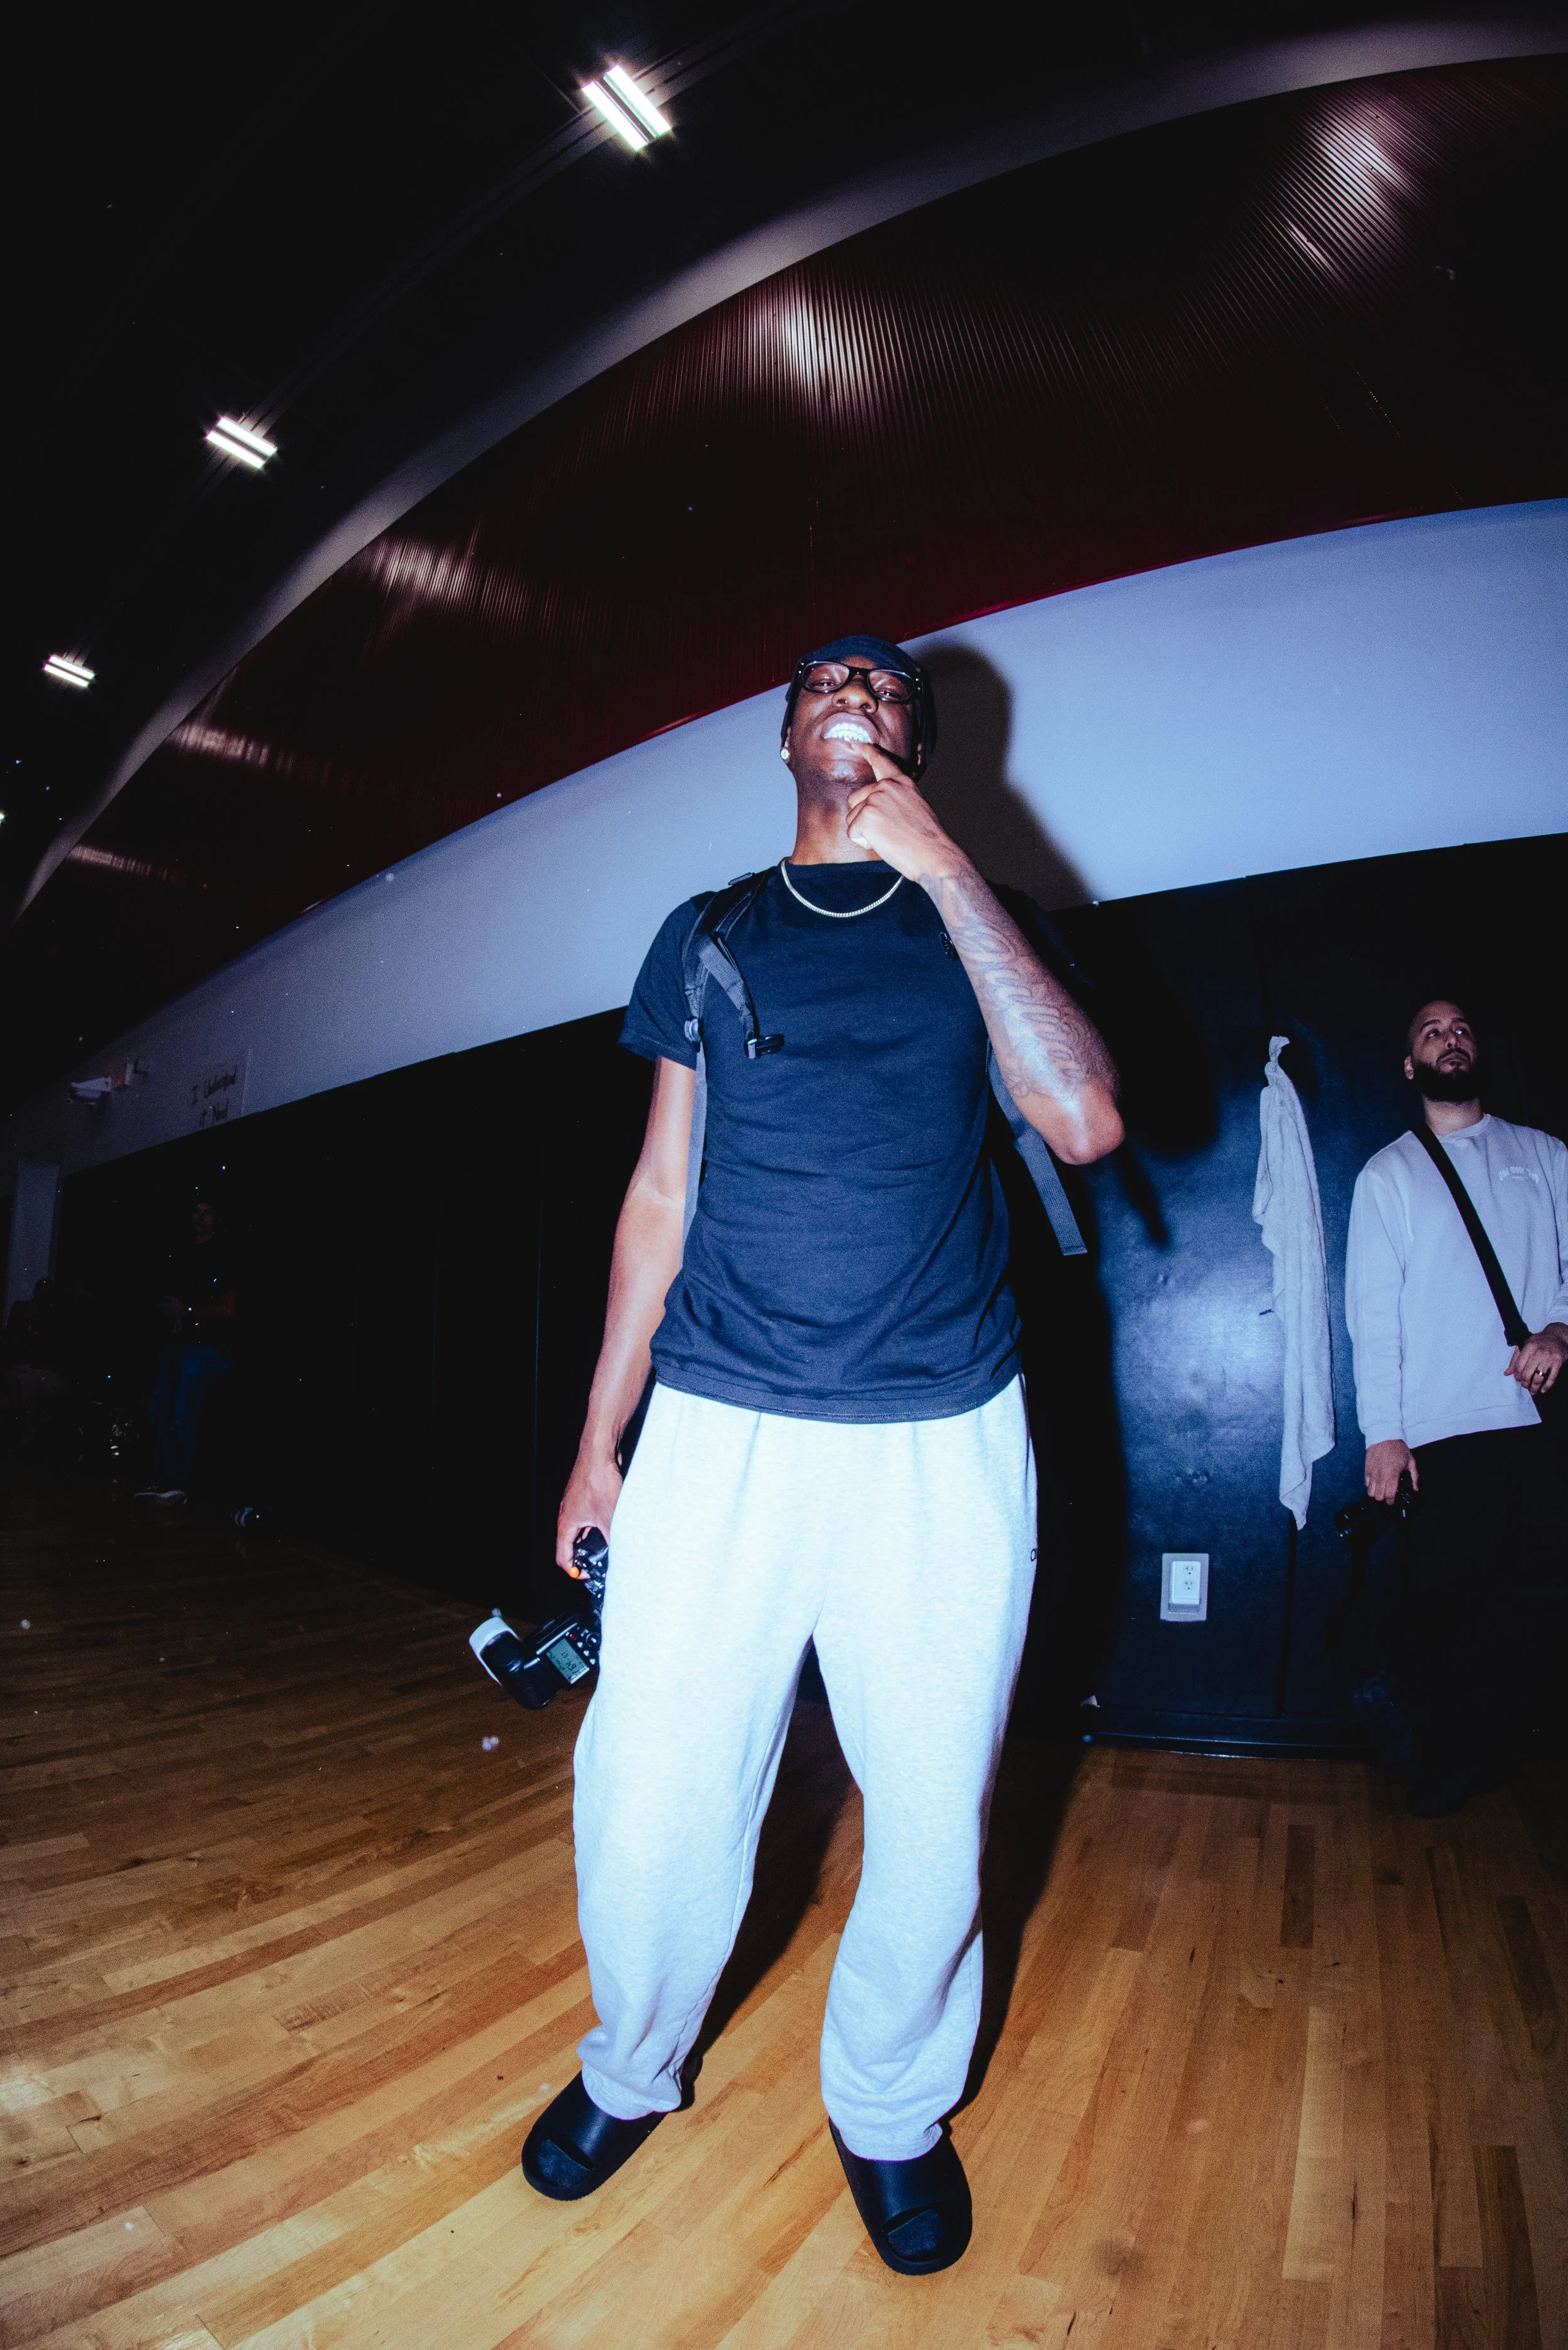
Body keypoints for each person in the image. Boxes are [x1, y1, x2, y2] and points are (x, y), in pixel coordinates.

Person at [521, 636, 1123, 2273]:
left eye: (881, 680)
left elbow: (1077, 1117)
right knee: (644, 1794)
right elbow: (658, 1193)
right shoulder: (707, 933)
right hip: (718, 1423)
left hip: (938, 1433)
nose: (850, 685)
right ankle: (631, 2064)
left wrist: (939, 861)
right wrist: (599, 1440)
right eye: (821, 677)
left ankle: (886, 2106)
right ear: (782, 733)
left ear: (910, 735)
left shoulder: (972, 919)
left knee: (931, 1816)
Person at [1345, 997, 1568, 1816]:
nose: (1452, 1037)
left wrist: (1559, 1325)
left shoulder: (1544, 1155)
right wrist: (1386, 1434)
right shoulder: (1389, 1173)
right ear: (1411, 1066)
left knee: (1540, 1595)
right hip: (1443, 1424)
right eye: (1432, 1032)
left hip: (1540, 1419)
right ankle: (1440, 1751)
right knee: (1447, 1599)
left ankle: (1484, 1747)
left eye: (1464, 1027)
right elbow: (1373, 1311)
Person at [141, 1196, 238, 1501]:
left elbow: (228, 1309)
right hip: (176, 1346)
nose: (201, 1218)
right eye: (197, 1211)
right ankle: (167, 1479)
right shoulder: (181, 1255)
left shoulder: (225, 1255)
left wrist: (189, 1311)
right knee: (159, 1409)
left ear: (218, 1219)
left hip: (207, 1347)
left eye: (209, 1212)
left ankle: (182, 1482)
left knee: (184, 1411)